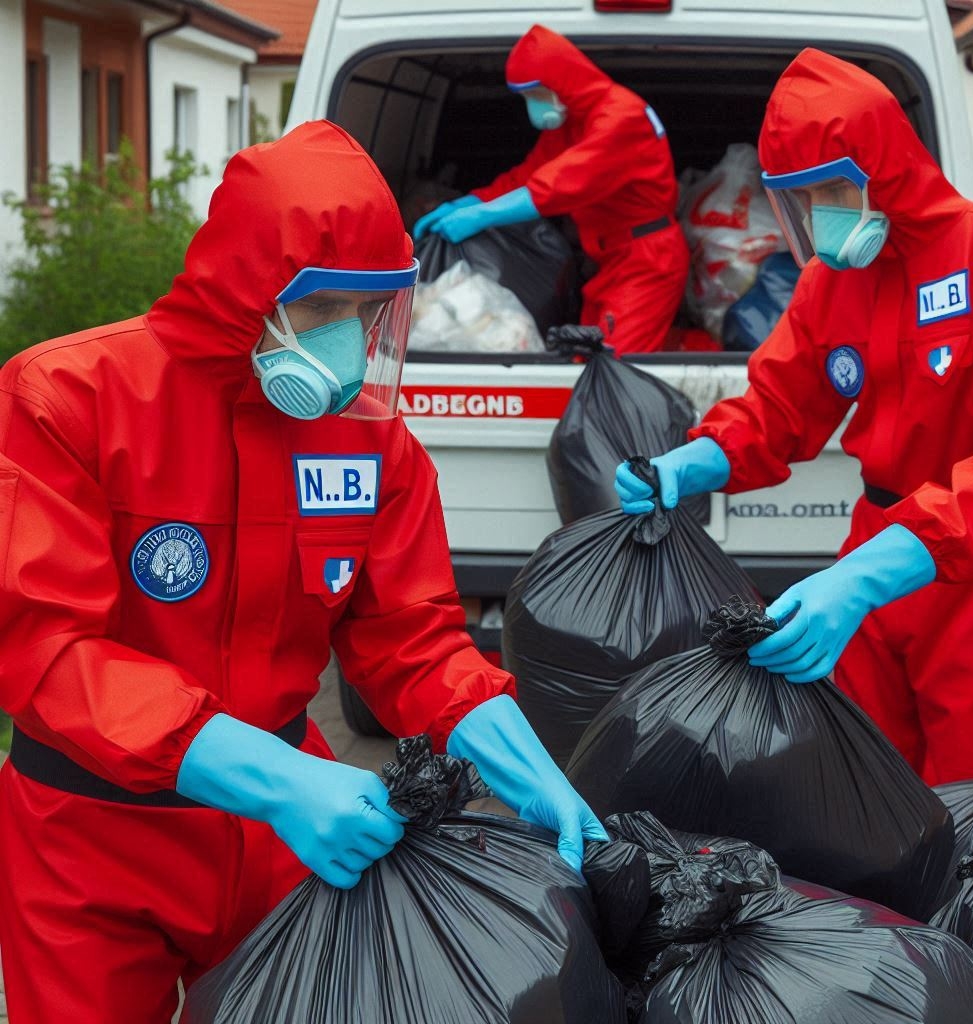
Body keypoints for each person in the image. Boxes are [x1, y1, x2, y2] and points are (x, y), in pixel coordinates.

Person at [0, 120, 606, 1023]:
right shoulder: (69, 401)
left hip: (288, 836)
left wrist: (516, 751)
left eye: (369, 314)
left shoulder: (369, 439)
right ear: (247, 289)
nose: (351, 345)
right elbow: (45, 649)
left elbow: (410, 634)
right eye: (324, 310)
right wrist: (277, 779)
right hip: (92, 836)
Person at [615, 48, 973, 786]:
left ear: (886, 165)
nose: (820, 215)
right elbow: (778, 404)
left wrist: (872, 574)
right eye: (803, 198)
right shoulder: (833, 283)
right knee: (867, 784)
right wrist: (694, 461)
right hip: (875, 543)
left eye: (834, 189)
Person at [412, 23, 689, 356]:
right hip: (610, 259)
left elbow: (556, 185)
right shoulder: (573, 122)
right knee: (585, 356)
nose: (533, 105)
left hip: (646, 261)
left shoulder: (620, 118)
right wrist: (467, 202)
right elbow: (527, 176)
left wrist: (482, 215)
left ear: (563, 82)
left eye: (536, 94)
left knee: (612, 368)